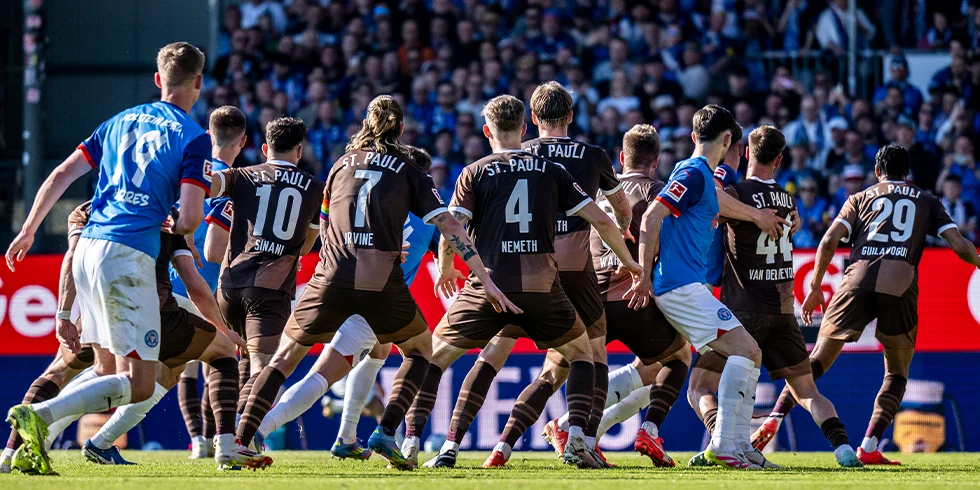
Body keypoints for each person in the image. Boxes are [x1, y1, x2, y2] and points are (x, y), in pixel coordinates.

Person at [233, 95, 515, 471]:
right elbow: (450, 226)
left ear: (366, 124)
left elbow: (323, 226)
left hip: (331, 276)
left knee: (290, 358)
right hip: (379, 286)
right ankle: (383, 430)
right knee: (418, 350)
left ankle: (242, 438)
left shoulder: (340, 165)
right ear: (401, 129)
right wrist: (485, 279)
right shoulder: (408, 171)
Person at [5, 42, 214, 475]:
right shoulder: (194, 137)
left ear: (158, 79)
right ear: (198, 81)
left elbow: (62, 173)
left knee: (104, 369)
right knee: (140, 386)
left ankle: (26, 443)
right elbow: (191, 217)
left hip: (88, 248)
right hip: (129, 254)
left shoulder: (117, 122)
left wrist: (28, 229)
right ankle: (38, 416)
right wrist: (176, 222)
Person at [403, 94, 644, 470]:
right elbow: (602, 218)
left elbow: (452, 227)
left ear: (487, 132)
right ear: (524, 126)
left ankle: (423, 443)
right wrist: (629, 261)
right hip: (544, 287)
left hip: (490, 287)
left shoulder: (475, 171)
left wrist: (447, 268)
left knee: (437, 359)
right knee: (584, 356)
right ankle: (577, 437)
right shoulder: (553, 170)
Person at [756, 144, 980, 465]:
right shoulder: (927, 200)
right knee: (896, 373)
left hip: (856, 280)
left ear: (877, 171)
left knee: (815, 361)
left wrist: (816, 287)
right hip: (900, 285)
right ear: (908, 173)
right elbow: (959, 245)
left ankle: (773, 419)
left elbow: (828, 240)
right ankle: (870, 445)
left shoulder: (860, 198)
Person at [235, 147, 440, 461]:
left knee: (377, 351)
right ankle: (262, 427)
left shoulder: (375, 199)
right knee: (323, 374)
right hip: (374, 301)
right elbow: (445, 241)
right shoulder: (424, 217)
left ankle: (346, 436)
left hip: (335, 285)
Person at [33, 202, 256, 470]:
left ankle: (27, 445)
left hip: (106, 295)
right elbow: (199, 269)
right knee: (145, 377)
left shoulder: (99, 207)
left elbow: (74, 255)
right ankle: (45, 419)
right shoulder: (185, 205)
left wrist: (64, 313)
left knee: (94, 370)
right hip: (157, 301)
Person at [688, 126, 862, 469]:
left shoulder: (736, 193)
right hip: (782, 313)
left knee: (699, 387)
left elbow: (710, 201)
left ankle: (722, 441)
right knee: (807, 392)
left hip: (742, 313)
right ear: (780, 160)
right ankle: (844, 449)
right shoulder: (788, 200)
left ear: (747, 153)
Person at [627, 105, 771, 469]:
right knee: (747, 351)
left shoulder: (699, 175)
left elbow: (716, 203)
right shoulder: (693, 172)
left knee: (735, 356)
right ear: (727, 140)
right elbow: (652, 216)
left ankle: (739, 445)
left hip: (683, 287)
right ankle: (726, 444)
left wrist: (757, 216)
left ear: (694, 136)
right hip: (679, 287)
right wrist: (642, 275)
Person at [212, 116, 324, 434]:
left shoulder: (242, 175)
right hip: (269, 289)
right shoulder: (315, 188)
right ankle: (237, 433)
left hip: (229, 285)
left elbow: (209, 185)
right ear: (299, 151)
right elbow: (306, 247)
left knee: (238, 360)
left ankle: (219, 434)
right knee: (265, 367)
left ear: (264, 149)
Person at [173, 106, 247, 460]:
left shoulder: (189, 174)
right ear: (243, 142)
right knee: (218, 360)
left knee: (184, 369)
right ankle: (217, 439)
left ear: (208, 133)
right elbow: (216, 250)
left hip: (170, 277)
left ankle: (200, 440)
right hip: (206, 287)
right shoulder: (232, 184)